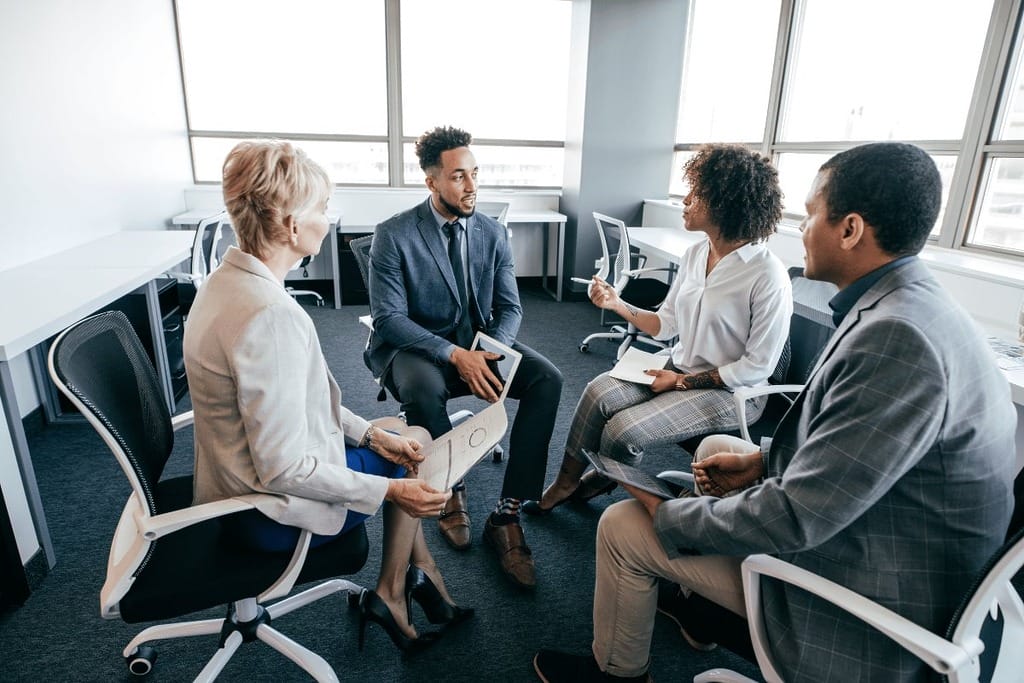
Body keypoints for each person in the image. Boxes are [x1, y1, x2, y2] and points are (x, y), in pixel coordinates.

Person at [533, 142, 1017, 682]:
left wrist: (670, 516)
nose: (801, 228)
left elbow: (796, 517)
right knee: (717, 451)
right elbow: (863, 456)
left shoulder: (896, 341)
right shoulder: (910, 308)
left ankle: (618, 674)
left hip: (867, 603)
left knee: (624, 526)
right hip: (888, 542)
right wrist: (764, 463)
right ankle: (699, 604)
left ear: (851, 229)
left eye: (810, 214)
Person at [184, 140, 471, 654]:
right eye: (320, 207)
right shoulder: (269, 317)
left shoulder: (224, 283)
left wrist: (370, 433)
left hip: (227, 476)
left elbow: (296, 400)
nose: (327, 217)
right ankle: (393, 590)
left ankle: (420, 575)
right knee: (417, 455)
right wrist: (388, 492)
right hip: (262, 512)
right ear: (292, 226)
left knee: (401, 435)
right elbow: (282, 470)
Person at [524, 144, 791, 515]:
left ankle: (598, 482)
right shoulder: (697, 254)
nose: (686, 200)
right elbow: (665, 325)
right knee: (597, 391)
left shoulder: (767, 274)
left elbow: (757, 367)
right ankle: (566, 482)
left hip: (729, 392)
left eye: (697, 193)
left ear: (725, 203)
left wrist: (680, 383)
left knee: (625, 431)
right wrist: (617, 303)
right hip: (677, 367)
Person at [365, 125, 563, 589]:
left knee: (548, 380)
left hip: (476, 345)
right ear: (432, 181)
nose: (471, 186)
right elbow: (389, 318)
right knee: (423, 388)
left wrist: (488, 351)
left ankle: (508, 512)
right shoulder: (393, 235)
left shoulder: (493, 232)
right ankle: (448, 489)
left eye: (474, 174)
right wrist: (456, 355)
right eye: (458, 177)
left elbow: (511, 307)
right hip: (416, 346)